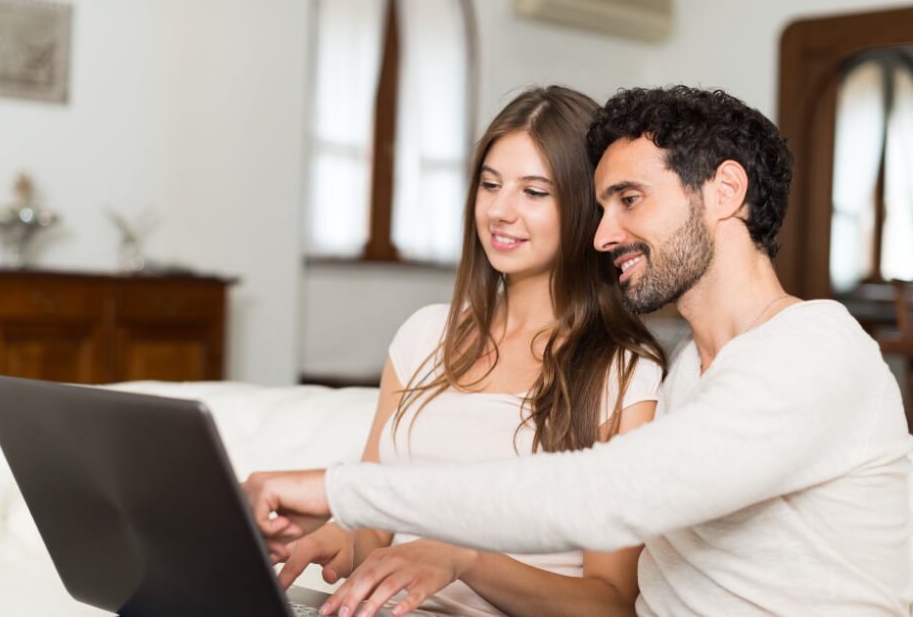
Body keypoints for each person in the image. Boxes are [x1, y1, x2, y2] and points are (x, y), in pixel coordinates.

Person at [246, 86, 913, 616]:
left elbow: (605, 492)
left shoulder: (813, 351)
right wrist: (353, 534)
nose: (601, 237)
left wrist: (343, 491)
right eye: (599, 208)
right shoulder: (693, 371)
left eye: (628, 200)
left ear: (724, 193)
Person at [278, 86, 666, 617]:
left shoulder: (624, 375)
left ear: (583, 206)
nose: (500, 211)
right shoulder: (423, 335)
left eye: (534, 192)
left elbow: (612, 604)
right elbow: (377, 523)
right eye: (490, 184)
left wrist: (466, 559)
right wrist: (335, 538)